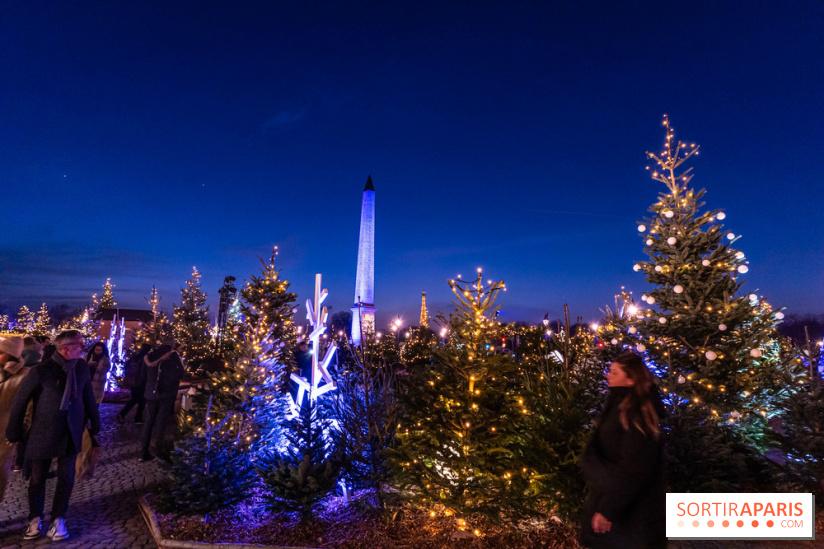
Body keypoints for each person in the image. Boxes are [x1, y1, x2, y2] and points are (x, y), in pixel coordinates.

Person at [5, 330, 100, 541]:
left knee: (66, 477)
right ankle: (35, 518)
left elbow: (87, 396)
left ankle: (58, 519)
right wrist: (14, 431)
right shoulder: (42, 371)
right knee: (38, 478)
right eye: (79, 344)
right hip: (43, 431)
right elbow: (20, 402)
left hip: (71, 430)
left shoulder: (82, 368)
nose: (83, 348)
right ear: (65, 348)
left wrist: (95, 420)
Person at [580, 351, 666, 549]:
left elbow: (633, 469)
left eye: (614, 372)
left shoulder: (637, 414)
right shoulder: (618, 405)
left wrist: (608, 510)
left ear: (630, 379)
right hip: (621, 515)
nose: (608, 375)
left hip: (632, 520)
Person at [139, 341, 185, 462]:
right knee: (161, 422)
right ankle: (159, 451)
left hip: (151, 394)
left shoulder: (148, 359)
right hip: (166, 395)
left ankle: (144, 452)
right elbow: (181, 373)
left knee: (149, 422)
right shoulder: (172, 359)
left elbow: (142, 376)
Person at [0, 336, 27, 502]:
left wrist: (20, 429)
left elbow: (28, 407)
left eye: (1, 352)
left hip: (5, 435)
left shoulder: (24, 376)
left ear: (11, 354)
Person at [116, 343, 151, 425]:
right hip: (141, 382)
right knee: (140, 400)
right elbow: (145, 371)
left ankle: (135, 417)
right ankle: (133, 417)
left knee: (136, 399)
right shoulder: (145, 358)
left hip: (133, 381)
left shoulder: (134, 357)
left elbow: (126, 365)